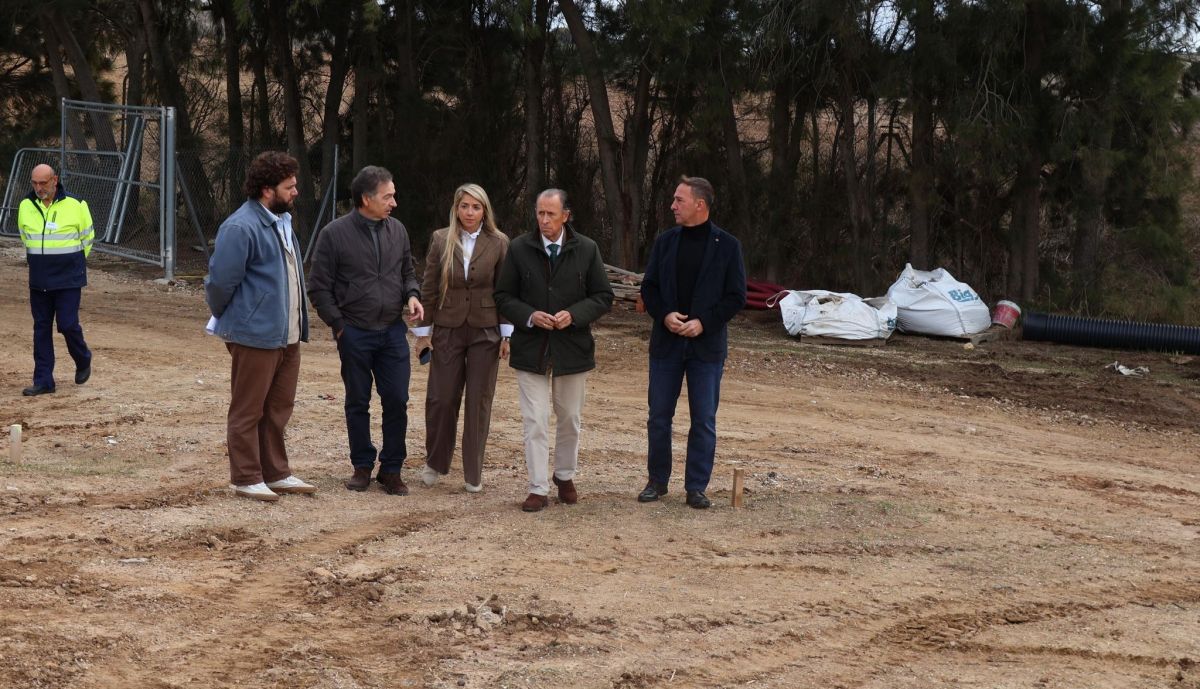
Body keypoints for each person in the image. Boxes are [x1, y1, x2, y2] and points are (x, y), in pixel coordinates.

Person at [205, 151, 316, 502]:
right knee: (248, 408)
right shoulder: (241, 227)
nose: (296, 192)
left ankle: (276, 472)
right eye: (290, 186)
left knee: (278, 407)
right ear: (268, 190)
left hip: (287, 336)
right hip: (255, 337)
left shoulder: (282, 222)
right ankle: (246, 476)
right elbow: (220, 284)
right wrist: (239, 321)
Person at [307, 166, 424, 496]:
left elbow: (407, 272)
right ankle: (362, 466)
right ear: (366, 199)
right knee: (357, 401)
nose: (394, 203)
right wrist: (339, 326)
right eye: (388, 196)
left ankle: (392, 469)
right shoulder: (333, 234)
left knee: (397, 400)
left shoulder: (397, 231)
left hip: (392, 332)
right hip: (354, 332)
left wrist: (413, 296)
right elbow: (318, 287)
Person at [494, 188, 613, 512]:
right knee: (535, 419)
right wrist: (530, 316)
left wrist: (574, 314)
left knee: (570, 417)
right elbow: (503, 296)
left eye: (550, 214)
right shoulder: (519, 248)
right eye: (539, 213)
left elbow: (603, 296)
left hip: (572, 347)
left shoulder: (587, 249)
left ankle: (564, 475)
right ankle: (537, 487)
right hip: (530, 346)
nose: (543, 220)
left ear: (566, 216)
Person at [638, 176, 746, 509]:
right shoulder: (665, 242)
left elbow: (736, 296)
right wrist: (664, 314)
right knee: (659, 416)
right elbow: (650, 288)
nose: (672, 206)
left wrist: (705, 323)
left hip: (706, 348)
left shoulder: (728, 246)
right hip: (667, 346)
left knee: (703, 419)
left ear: (700, 204)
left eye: (678, 200)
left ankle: (696, 487)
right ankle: (657, 481)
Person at [411, 184, 512, 493]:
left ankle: (473, 472)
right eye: (465, 206)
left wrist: (506, 334)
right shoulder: (441, 239)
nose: (470, 212)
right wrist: (422, 333)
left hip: (486, 329)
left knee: (479, 400)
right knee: (441, 398)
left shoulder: (499, 242)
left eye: (476, 207)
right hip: (448, 326)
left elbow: (505, 290)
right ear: (456, 208)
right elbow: (428, 287)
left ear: (485, 211)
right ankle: (435, 462)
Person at [17, 163, 94, 396]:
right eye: (35, 183)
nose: (39, 188)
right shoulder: (25, 205)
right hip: (39, 279)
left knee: (67, 324)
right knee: (41, 328)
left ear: (55, 180)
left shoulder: (76, 204)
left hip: (68, 278)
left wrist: (73, 263)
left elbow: (88, 237)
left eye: (43, 183)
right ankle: (43, 381)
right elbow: (25, 236)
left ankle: (83, 359)